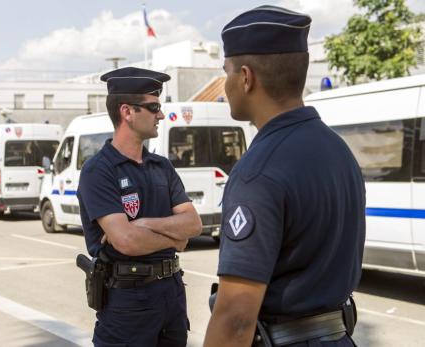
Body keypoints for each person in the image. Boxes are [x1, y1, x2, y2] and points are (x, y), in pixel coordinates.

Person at [204, 5, 365, 347]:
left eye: (227, 72)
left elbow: (235, 318)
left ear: (246, 78)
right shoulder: (338, 151)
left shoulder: (258, 172)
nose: (224, 86)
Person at [77, 66, 203, 347]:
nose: (161, 114)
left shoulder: (162, 167)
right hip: (128, 303)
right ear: (127, 112)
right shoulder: (99, 170)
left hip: (171, 296)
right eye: (154, 106)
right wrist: (172, 234)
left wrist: (145, 224)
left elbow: (193, 226)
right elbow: (127, 242)